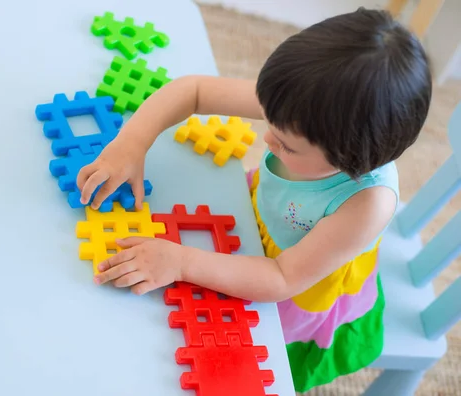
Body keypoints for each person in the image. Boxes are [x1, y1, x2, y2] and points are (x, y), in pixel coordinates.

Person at [76, 7, 431, 392]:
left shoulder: (367, 203)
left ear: (351, 162)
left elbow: (281, 278)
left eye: (286, 145)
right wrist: (131, 142)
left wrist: (179, 261)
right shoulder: (304, 111)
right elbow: (192, 90)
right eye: (272, 125)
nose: (267, 139)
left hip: (298, 279)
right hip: (258, 216)